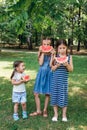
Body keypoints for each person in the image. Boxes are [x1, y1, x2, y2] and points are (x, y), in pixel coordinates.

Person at [30, 37, 54, 117]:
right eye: (44, 44)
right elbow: (40, 63)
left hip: (49, 73)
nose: (46, 46)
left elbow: (51, 65)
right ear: (42, 45)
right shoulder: (40, 52)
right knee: (36, 93)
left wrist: (53, 55)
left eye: (48, 44)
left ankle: (45, 110)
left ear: (51, 45)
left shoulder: (52, 53)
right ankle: (38, 110)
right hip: (41, 73)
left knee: (48, 93)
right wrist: (42, 52)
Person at [50, 39, 73, 122]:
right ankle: (55, 114)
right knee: (54, 97)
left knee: (64, 98)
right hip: (55, 81)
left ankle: (64, 115)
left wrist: (67, 65)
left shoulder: (69, 57)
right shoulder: (54, 56)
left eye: (64, 48)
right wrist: (57, 65)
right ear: (57, 48)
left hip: (63, 82)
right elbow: (52, 68)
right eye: (60, 48)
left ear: (66, 48)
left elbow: (71, 70)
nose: (62, 50)